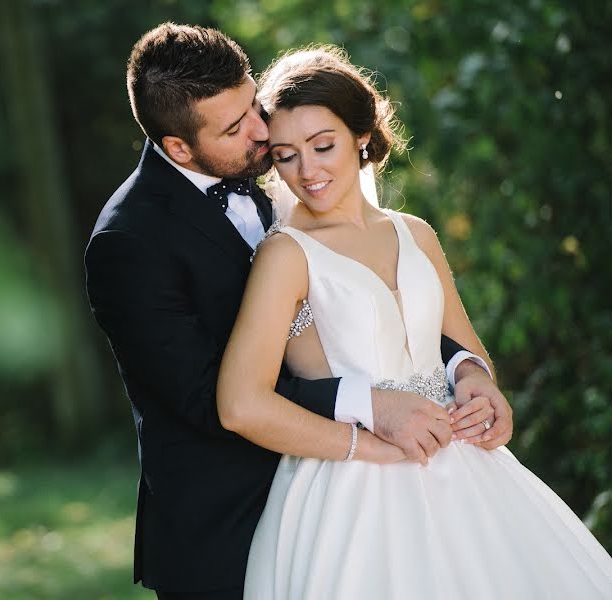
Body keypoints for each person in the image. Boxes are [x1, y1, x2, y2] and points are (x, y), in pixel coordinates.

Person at [85, 23, 510, 599]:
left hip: (405, 469)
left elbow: (390, 312)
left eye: (253, 104)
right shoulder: (129, 242)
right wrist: (368, 404)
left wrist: (469, 373)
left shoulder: (279, 173)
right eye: (237, 128)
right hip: (228, 516)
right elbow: (209, 401)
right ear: (178, 147)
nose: (264, 134)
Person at [217, 44, 612, 598]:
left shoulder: (415, 232)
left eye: (323, 145)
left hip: (466, 471)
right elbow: (241, 404)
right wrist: (370, 445)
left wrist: (478, 385)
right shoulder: (286, 255)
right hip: (354, 489)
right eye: (285, 155)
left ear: (361, 136)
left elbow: (464, 349)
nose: (307, 171)